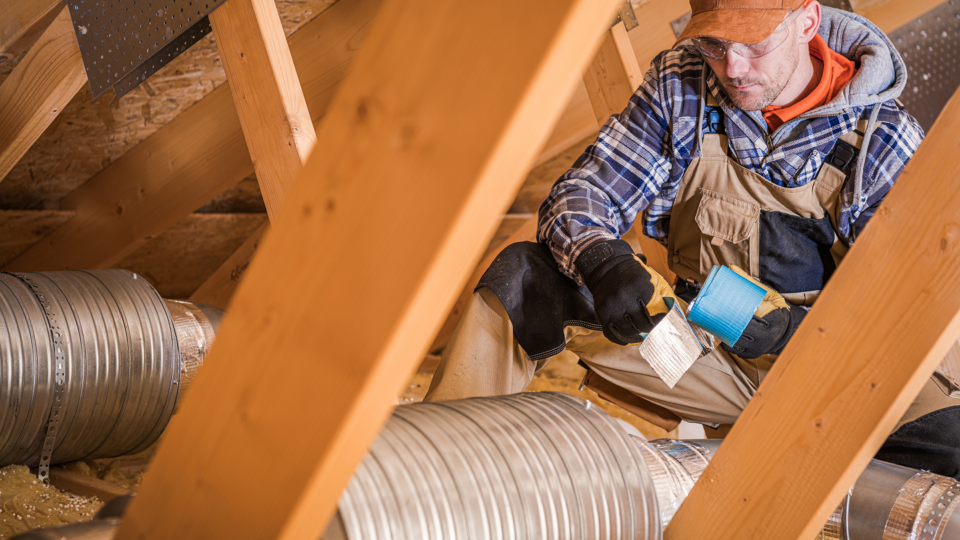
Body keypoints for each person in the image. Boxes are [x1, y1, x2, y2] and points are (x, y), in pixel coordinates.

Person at [425, 0, 960, 478]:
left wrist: (796, 333)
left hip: (842, 371)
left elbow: (910, 311)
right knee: (526, 279)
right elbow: (585, 193)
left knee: (946, 452)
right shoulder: (680, 85)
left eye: (753, 45)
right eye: (714, 44)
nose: (732, 69)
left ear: (807, 20)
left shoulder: (880, 137)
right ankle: (432, 473)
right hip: (697, 350)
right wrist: (604, 262)